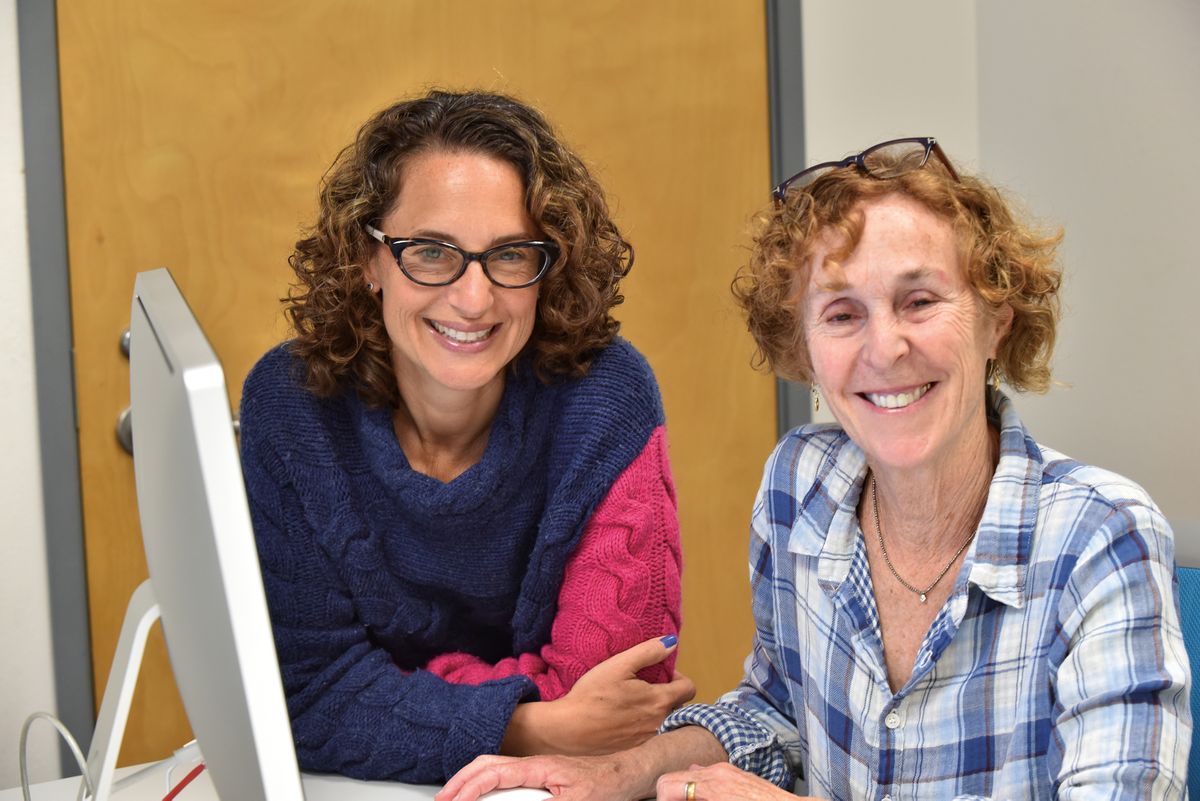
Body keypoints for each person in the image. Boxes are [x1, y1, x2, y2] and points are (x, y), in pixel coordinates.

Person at [438, 137, 1191, 800]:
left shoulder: (1100, 536)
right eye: (842, 314)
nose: (884, 348)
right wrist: (615, 773)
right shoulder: (801, 485)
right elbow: (778, 716)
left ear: (997, 321)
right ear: (803, 349)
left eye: (919, 301)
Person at [238, 89, 695, 785]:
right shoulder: (293, 404)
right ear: (368, 259)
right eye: (430, 252)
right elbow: (306, 696)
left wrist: (385, 693)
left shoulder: (606, 396)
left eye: (510, 255)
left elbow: (614, 708)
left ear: (549, 267)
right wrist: (528, 723)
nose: (474, 299)